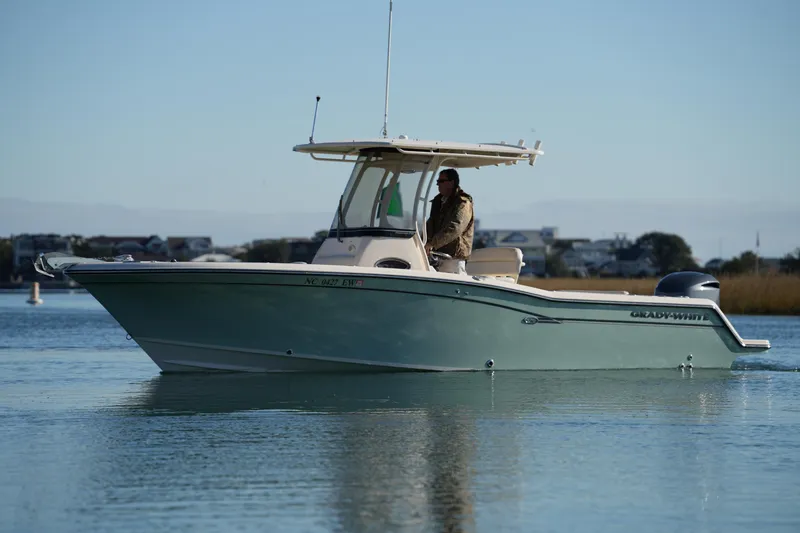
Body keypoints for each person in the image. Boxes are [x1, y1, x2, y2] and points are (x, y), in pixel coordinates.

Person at [424, 168, 474, 274]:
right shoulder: (438, 202)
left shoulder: (462, 203)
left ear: (451, 183)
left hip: (454, 257)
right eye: (437, 182)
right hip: (438, 255)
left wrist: (432, 243)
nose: (438, 185)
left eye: (441, 181)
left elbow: (455, 227)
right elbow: (431, 223)